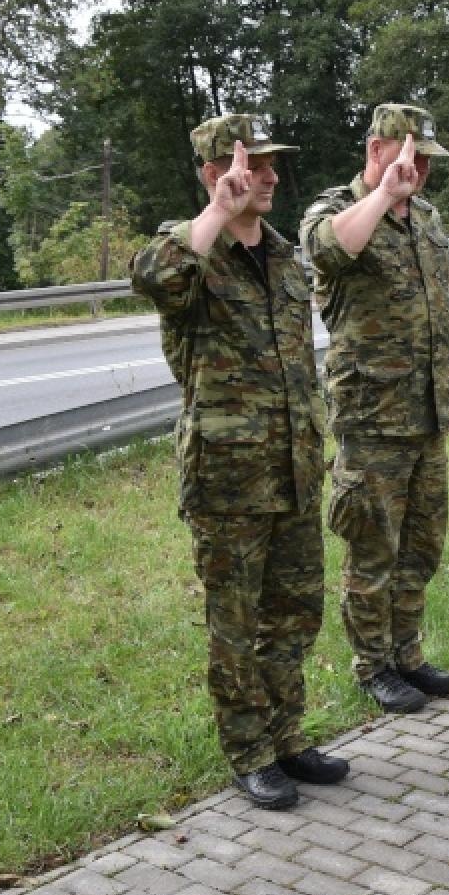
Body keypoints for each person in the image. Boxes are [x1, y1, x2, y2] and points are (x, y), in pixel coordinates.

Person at [131, 113, 348, 810]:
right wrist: (217, 211)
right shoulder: (188, 251)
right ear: (215, 171)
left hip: (293, 470)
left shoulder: (286, 255)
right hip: (227, 480)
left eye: (271, 164)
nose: (270, 176)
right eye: (253, 164)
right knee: (236, 624)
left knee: (294, 615)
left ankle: (288, 738)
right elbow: (152, 279)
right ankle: (250, 753)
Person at [299, 104, 449, 714]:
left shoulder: (425, 219)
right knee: (373, 549)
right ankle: (373, 666)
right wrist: (381, 195)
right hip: (371, 419)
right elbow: (327, 252)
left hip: (425, 412)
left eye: (426, 160)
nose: (421, 169)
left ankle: (408, 655)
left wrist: (404, 196)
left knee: (422, 546)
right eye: (412, 156)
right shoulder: (334, 210)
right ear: (378, 151)